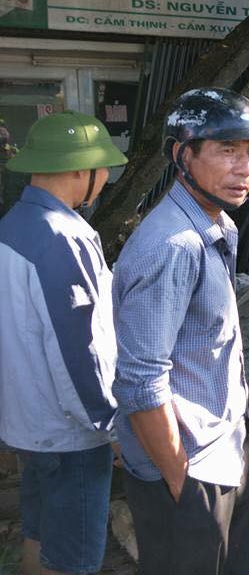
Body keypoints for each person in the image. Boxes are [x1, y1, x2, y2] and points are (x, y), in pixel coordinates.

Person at [112, 88, 249, 574]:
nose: (244, 168)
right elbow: (141, 383)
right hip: (186, 471)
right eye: (227, 151)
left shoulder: (217, 226)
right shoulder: (172, 246)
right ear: (183, 155)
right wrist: (182, 482)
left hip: (220, 454)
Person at [0, 112, 127, 575]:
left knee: (38, 535)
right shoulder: (59, 238)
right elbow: (79, 349)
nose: (107, 178)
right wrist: (112, 426)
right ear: (80, 170)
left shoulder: (13, 226)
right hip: (71, 433)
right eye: (103, 167)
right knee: (72, 560)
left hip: (29, 426)